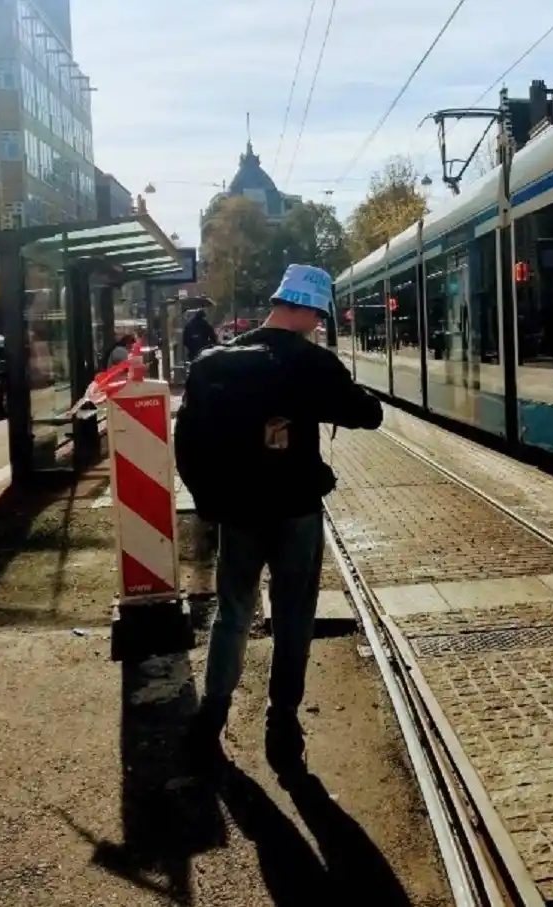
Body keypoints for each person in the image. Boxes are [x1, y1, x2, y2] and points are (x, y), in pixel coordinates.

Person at [182, 263, 383, 777]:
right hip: (296, 510)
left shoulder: (215, 363)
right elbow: (367, 415)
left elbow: (187, 444)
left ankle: (212, 714)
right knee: (294, 615)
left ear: (276, 301)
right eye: (319, 316)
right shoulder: (313, 363)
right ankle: (283, 721)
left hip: (237, 511)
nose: (318, 325)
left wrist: (209, 502)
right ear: (308, 310)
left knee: (233, 612)